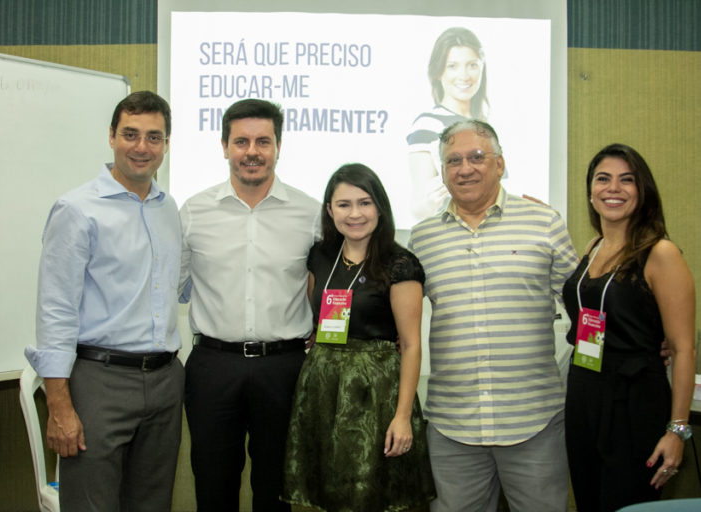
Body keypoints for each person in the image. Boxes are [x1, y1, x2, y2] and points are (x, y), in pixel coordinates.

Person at [25, 91, 183, 511]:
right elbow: (55, 312)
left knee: (152, 504)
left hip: (166, 381)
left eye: (154, 137)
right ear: (111, 136)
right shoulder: (77, 210)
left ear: (166, 144)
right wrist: (59, 405)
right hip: (99, 380)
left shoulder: (170, 210)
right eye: (130, 134)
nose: (141, 147)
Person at [408, 120, 577, 512]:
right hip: (452, 426)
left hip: (534, 422)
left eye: (477, 157)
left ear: (500, 165)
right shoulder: (422, 238)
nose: (465, 168)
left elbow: (583, 301)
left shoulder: (544, 223)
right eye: (453, 160)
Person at [179, 98, 320, 511]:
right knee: (212, 484)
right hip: (212, 367)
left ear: (278, 146)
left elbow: (331, 283)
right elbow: (171, 285)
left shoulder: (310, 214)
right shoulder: (193, 213)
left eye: (263, 141)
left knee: (276, 487)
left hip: (284, 367)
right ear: (224, 146)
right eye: (241, 141)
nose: (252, 152)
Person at [282, 163, 436, 512]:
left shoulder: (400, 263)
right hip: (323, 389)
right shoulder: (320, 256)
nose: (355, 214)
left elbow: (411, 345)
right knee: (330, 493)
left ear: (380, 207)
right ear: (329, 210)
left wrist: (402, 416)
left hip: (377, 395)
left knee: (373, 495)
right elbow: (318, 319)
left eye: (365, 203)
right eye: (344, 204)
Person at [562, 143, 696, 511]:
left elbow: (684, 348)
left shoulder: (660, 253)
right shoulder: (593, 246)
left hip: (634, 401)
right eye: (603, 179)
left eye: (627, 180)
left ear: (643, 191)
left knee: (627, 505)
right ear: (590, 192)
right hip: (585, 391)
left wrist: (677, 430)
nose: (613, 188)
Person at [407, 27, 489, 221]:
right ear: (438, 72)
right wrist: (433, 199)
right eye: (452, 66)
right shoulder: (428, 125)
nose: (464, 75)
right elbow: (418, 209)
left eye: (472, 65)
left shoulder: (488, 124)